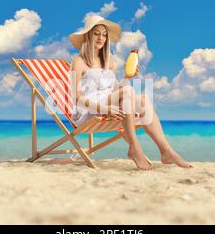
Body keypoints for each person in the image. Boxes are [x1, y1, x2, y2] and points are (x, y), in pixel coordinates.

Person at [69, 15, 193, 170]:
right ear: (88, 35)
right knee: (129, 92)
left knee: (143, 99)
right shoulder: (78, 62)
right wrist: (104, 109)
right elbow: (76, 98)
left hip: (108, 102)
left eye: (104, 34)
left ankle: (166, 151)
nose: (101, 37)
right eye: (96, 33)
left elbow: (115, 91)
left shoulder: (109, 61)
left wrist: (127, 77)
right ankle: (135, 148)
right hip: (89, 111)